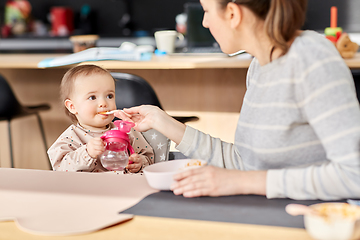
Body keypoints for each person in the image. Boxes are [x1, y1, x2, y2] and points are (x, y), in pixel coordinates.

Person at [116, 0, 360, 200]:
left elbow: (354, 176)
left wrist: (242, 181)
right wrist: (162, 121)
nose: (204, 21)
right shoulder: (259, 65)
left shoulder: (312, 59)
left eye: (207, 11)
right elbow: (246, 163)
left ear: (232, 13)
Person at [48, 64, 154, 173]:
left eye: (109, 96)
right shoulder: (70, 138)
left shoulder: (127, 131)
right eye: (92, 97)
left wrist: (140, 163)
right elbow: (60, 169)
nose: (103, 103)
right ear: (72, 106)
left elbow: (150, 158)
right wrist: (87, 153)